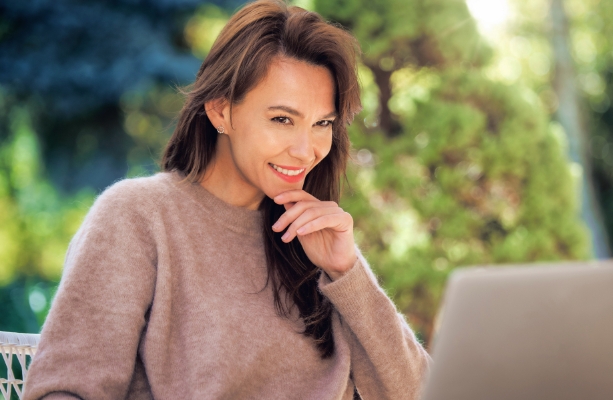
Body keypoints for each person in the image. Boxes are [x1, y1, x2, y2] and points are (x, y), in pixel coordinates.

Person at [23, 1, 431, 399]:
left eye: (322, 124)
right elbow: (63, 390)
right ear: (220, 112)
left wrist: (346, 272)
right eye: (282, 120)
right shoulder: (138, 218)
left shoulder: (315, 236)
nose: (306, 150)